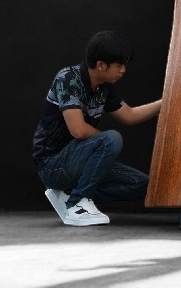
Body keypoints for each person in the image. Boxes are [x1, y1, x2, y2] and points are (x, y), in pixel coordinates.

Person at [31, 30, 162, 226]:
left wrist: (166, 103)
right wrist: (105, 145)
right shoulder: (68, 79)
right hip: (52, 165)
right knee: (111, 138)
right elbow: (78, 130)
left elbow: (130, 115)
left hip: (80, 161)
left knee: (141, 184)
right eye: (119, 65)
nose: (123, 70)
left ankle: (70, 195)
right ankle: (77, 205)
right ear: (101, 65)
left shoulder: (104, 87)